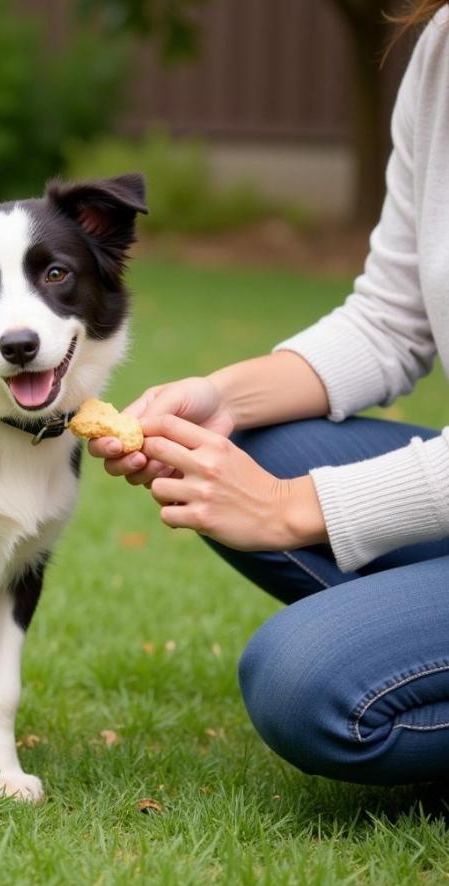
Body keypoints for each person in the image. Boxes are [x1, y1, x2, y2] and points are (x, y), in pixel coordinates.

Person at [90, 1, 449, 786]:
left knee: (310, 682)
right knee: (225, 451)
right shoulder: (442, 51)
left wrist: (291, 505)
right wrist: (221, 399)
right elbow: (392, 319)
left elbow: (287, 504)